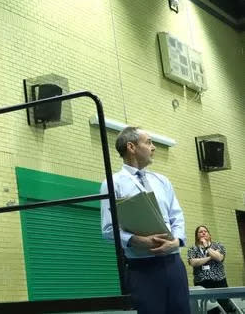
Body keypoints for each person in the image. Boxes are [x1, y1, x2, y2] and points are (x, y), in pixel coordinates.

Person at [100, 126, 190, 314]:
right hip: (142, 269)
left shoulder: (162, 181)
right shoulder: (112, 183)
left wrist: (176, 241)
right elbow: (109, 229)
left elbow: (177, 216)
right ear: (131, 147)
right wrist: (138, 241)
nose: (153, 147)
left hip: (173, 264)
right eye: (148, 142)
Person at [188, 225, 237, 313]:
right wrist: (210, 257)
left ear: (209, 235)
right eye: (200, 232)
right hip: (202, 284)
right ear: (197, 236)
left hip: (219, 281)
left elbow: (219, 258)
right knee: (210, 310)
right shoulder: (193, 249)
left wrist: (207, 247)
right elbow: (193, 263)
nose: (203, 233)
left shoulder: (218, 245)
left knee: (226, 307)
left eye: (205, 231)